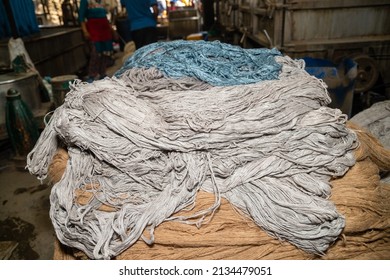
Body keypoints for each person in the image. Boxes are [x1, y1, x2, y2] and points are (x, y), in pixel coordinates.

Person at [79, 0, 116, 82]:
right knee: (95, 53)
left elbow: (105, 15)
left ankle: (103, 73)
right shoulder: (85, 1)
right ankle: (92, 75)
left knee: (105, 52)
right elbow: (81, 17)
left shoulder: (102, 2)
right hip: (93, 29)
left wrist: (111, 29)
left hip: (104, 29)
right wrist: (85, 31)